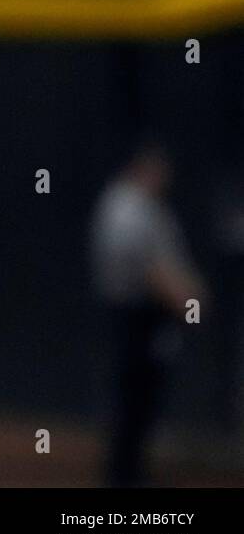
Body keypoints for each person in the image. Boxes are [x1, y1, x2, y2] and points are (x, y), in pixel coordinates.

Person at [88, 139, 206, 487]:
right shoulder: (126, 206)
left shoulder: (145, 206)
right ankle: (123, 475)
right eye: (158, 167)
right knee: (132, 399)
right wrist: (188, 302)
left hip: (145, 317)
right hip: (135, 316)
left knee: (141, 400)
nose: (165, 175)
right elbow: (153, 271)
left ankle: (129, 470)